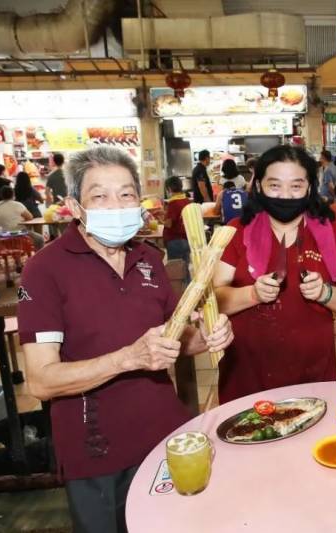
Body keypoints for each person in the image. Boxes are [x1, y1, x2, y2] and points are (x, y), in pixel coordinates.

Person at [17, 146, 233, 533]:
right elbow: (41, 380)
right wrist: (128, 357)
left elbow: (173, 340)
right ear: (75, 206)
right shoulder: (45, 269)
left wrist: (207, 335)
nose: (115, 205)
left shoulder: (149, 258)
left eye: (126, 194)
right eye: (99, 195)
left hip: (164, 438)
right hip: (96, 453)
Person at [213, 145, 336, 403]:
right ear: (258, 186)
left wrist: (326, 293)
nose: (285, 195)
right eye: (275, 185)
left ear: (309, 188)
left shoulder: (331, 233)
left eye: (296, 186)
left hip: (314, 378)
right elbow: (215, 299)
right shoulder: (236, 231)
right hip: (247, 378)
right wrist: (252, 294)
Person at [0, 186, 44, 250]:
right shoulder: (18, 205)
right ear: (13, 194)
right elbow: (30, 217)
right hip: (19, 234)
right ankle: (38, 257)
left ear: (1, 195)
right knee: (40, 239)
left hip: (1, 236)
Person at [162, 176, 192, 276]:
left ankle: (178, 291)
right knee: (185, 269)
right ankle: (187, 289)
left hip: (175, 241)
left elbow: (169, 224)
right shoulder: (186, 200)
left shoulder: (173, 203)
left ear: (169, 189)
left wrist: (160, 220)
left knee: (176, 272)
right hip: (186, 239)